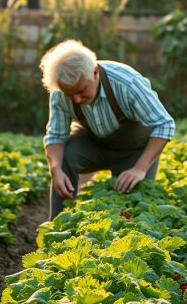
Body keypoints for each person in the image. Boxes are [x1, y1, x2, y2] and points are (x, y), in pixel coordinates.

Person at [41, 40, 175, 219]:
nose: (76, 100)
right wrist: (56, 170)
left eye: (81, 91)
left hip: (134, 151)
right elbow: (56, 136)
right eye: (69, 94)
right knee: (62, 159)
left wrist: (140, 168)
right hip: (93, 145)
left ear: (95, 73)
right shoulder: (59, 93)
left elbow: (164, 124)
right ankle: (57, 225)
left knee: (132, 211)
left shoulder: (127, 82)